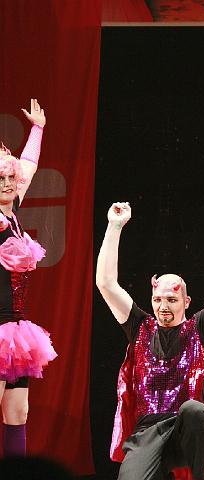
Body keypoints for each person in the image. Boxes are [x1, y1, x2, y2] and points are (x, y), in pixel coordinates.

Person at [96, 201, 204, 480]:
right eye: (158, 299)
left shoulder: (202, 327)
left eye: (172, 300)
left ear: (186, 301)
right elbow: (105, 284)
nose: (163, 306)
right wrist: (114, 226)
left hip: (185, 430)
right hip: (147, 433)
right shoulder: (139, 326)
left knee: (195, 410)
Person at [0, 99, 55, 458]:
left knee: (18, 413)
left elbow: (29, 167)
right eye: (0, 178)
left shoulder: (13, 210)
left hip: (15, 329)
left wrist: (37, 128)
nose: (8, 183)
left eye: (10, 178)